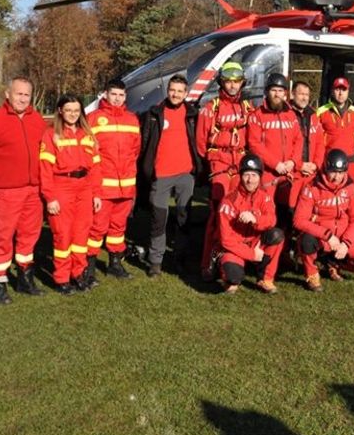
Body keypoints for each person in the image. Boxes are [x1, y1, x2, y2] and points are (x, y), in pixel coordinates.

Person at [0, 76, 48, 304]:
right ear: (8, 94)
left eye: (26, 95)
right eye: (18, 93)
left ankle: (25, 280)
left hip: (34, 190)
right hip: (5, 192)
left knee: (29, 236)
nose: (22, 98)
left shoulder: (37, 120)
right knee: (2, 237)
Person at [138, 74, 201, 277]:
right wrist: (146, 169)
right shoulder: (154, 113)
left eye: (180, 91)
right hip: (161, 174)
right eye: (172, 90)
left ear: (186, 93)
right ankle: (155, 260)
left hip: (185, 174)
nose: (175, 94)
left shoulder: (193, 114)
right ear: (167, 90)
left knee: (183, 218)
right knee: (159, 219)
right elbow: (144, 143)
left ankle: (180, 258)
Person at [39, 94, 103, 294]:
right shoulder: (51, 134)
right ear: (60, 111)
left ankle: (78, 274)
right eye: (68, 110)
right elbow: (45, 169)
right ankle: (62, 278)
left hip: (84, 188)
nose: (73, 114)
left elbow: (95, 167)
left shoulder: (87, 134)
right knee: (63, 236)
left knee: (81, 234)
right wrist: (50, 197)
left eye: (76, 110)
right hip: (61, 187)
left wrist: (96, 193)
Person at [196, 61, 253, 278]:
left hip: (240, 166)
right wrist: (212, 164)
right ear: (222, 82)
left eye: (236, 81)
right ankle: (207, 262)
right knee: (218, 214)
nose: (232, 86)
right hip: (219, 165)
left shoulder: (247, 107)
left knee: (239, 213)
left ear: (242, 83)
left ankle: (233, 257)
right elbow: (201, 142)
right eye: (228, 81)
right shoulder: (211, 108)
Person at [294, 148, 354, 292]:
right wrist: (327, 235)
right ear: (325, 169)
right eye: (333, 172)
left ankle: (333, 263)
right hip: (321, 237)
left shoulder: (350, 188)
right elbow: (299, 220)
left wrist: (346, 243)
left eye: (340, 172)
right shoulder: (312, 187)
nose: (336, 177)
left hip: (343, 236)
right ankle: (312, 274)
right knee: (306, 241)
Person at [86, 78, 141, 283]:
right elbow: (88, 153)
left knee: (118, 228)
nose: (117, 99)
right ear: (105, 94)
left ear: (125, 96)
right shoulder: (92, 119)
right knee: (97, 228)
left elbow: (135, 151)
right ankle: (89, 267)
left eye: (121, 95)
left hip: (125, 187)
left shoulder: (132, 119)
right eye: (113, 94)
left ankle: (115, 264)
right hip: (102, 187)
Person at [216, 154, 285, 295]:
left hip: (255, 242)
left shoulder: (264, 197)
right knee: (233, 277)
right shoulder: (228, 201)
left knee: (277, 235)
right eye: (246, 175)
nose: (250, 180)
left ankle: (265, 278)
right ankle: (227, 272)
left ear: (260, 177)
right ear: (240, 176)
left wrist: (255, 219)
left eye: (254, 175)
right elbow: (226, 239)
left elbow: (272, 220)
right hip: (235, 246)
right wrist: (252, 254)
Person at [246, 73, 302, 228]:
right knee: (266, 213)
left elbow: (298, 139)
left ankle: (284, 241)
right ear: (267, 91)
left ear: (285, 93)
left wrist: (293, 161)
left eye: (280, 90)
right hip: (268, 173)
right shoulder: (257, 115)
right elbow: (254, 144)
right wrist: (275, 164)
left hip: (289, 172)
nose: (277, 94)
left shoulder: (290, 114)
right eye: (273, 90)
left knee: (287, 212)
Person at [316, 77, 354, 183]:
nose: (340, 93)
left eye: (344, 89)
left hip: (351, 161)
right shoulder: (321, 111)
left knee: (353, 190)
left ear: (348, 91)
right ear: (332, 91)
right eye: (337, 89)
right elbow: (317, 138)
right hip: (331, 163)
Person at [289, 80, 325, 201]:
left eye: (307, 95)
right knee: (290, 207)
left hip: (311, 173)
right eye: (301, 94)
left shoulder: (313, 115)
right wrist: (299, 165)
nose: (304, 98)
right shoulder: (285, 114)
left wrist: (316, 165)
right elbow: (283, 145)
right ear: (292, 94)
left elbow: (320, 142)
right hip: (292, 174)